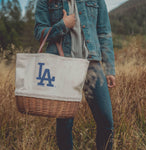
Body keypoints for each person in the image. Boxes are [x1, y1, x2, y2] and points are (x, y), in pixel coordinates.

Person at [34, 0, 116, 149]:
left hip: (92, 65)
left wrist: (109, 68)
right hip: (63, 66)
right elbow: (39, 32)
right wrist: (62, 25)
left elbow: (104, 32)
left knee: (106, 120)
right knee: (65, 123)